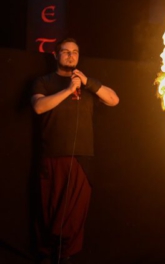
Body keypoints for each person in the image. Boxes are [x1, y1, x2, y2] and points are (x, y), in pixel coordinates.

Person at [30, 38, 119, 264]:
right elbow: (39, 107)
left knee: (74, 215)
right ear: (56, 55)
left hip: (81, 158)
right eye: (65, 52)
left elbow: (113, 100)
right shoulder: (44, 81)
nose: (70, 55)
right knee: (50, 213)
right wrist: (69, 90)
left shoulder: (87, 83)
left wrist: (86, 81)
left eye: (75, 52)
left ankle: (66, 257)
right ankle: (46, 257)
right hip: (52, 155)